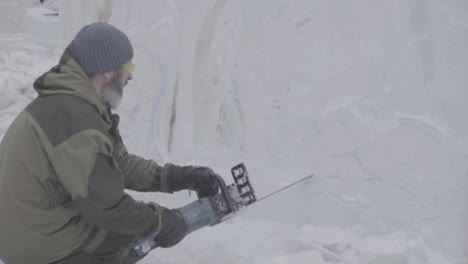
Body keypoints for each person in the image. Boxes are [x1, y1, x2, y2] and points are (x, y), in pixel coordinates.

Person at [0, 22, 220, 264]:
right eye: (128, 67)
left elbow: (114, 164)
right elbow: (107, 206)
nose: (130, 75)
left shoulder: (74, 104)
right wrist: (161, 222)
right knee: (126, 235)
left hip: (31, 224)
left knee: (131, 229)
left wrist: (177, 177)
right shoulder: (74, 118)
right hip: (33, 239)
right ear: (107, 70)